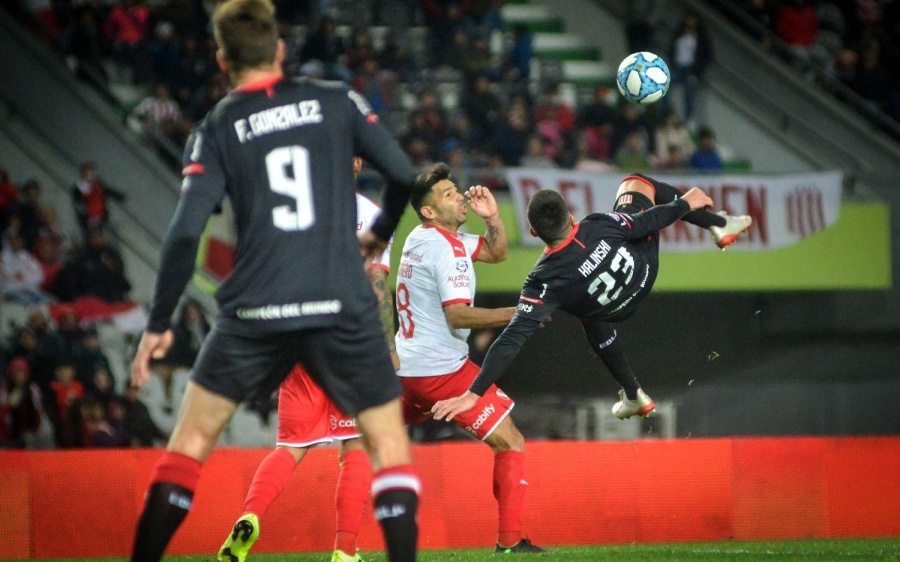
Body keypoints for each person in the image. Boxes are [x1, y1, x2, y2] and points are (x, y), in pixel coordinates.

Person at [128, 2, 421, 562]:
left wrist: (159, 325)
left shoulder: (217, 126)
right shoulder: (337, 100)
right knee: (385, 445)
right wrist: (380, 231)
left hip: (257, 308)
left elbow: (186, 233)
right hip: (341, 302)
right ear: (280, 49)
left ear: (221, 60)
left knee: (189, 444)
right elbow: (405, 175)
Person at [431, 174, 752, 425]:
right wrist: (685, 203)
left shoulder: (542, 280)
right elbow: (648, 221)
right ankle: (722, 225)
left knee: (582, 302)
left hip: (611, 311)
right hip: (642, 273)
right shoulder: (596, 225)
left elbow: (512, 338)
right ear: (570, 217)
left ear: (533, 232)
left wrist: (475, 393)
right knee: (636, 182)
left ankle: (633, 393)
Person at [218, 157, 399, 562]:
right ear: (354, 162)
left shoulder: (285, 212)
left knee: (288, 446)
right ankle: (345, 552)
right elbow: (376, 286)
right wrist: (387, 347)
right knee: (357, 444)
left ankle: (250, 515)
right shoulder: (370, 215)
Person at [394, 163, 544, 554]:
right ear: (428, 211)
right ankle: (511, 543)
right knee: (511, 442)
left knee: (362, 441)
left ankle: (343, 544)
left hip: (408, 370)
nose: (459, 195)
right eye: (447, 194)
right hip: (442, 372)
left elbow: (495, 252)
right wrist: (520, 312)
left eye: (455, 188)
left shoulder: (422, 236)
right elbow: (457, 314)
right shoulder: (448, 250)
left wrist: (493, 217)